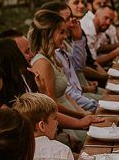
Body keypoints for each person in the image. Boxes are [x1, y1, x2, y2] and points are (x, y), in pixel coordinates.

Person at [28, 9, 103, 145]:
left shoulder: (53, 57)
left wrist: (82, 111)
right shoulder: (42, 63)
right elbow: (51, 106)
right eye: (61, 32)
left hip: (74, 115)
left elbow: (66, 93)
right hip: (65, 124)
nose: (65, 35)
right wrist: (80, 116)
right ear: (49, 35)